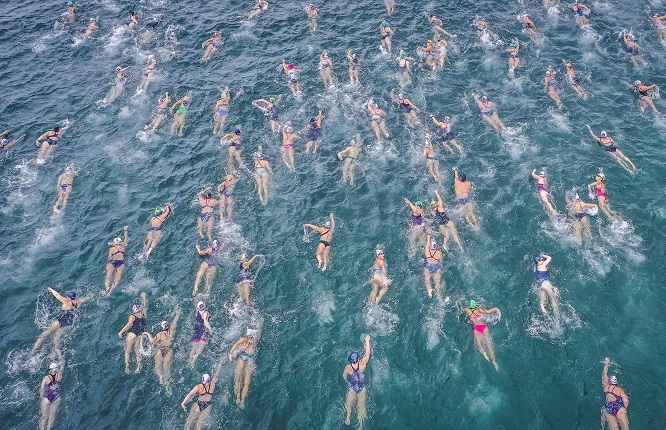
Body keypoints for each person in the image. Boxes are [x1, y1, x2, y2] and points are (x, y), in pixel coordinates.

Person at [31, 288, 90, 361]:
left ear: (68, 298)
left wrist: (51, 289)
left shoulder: (66, 301)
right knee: (56, 343)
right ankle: (59, 359)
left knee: (43, 336)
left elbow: (57, 295)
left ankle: (32, 352)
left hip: (59, 322)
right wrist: (91, 295)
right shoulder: (79, 301)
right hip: (68, 325)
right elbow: (87, 297)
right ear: (75, 297)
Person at [143, 308, 181, 387]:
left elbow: (153, 341)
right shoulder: (172, 330)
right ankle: (167, 384)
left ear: (162, 327)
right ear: (168, 325)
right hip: (169, 350)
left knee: (157, 368)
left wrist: (147, 333)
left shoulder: (160, 334)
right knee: (166, 366)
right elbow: (175, 320)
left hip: (160, 350)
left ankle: (160, 376)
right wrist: (178, 313)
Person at [229, 325, 262, 409]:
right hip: (250, 361)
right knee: (247, 382)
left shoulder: (244, 340)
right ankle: (243, 401)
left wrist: (230, 353)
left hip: (242, 358)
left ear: (247, 335)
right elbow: (259, 331)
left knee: (237, 379)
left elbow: (236, 344)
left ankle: (237, 397)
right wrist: (261, 323)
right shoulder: (255, 341)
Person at [181, 362, 223, 429]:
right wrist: (220, 365)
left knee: (193, 426)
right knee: (194, 426)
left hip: (202, 405)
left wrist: (183, 403)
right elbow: (217, 374)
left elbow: (190, 394)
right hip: (205, 405)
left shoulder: (201, 386)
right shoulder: (211, 383)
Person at [343, 335, 371, 426]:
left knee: (349, 404)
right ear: (358, 359)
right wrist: (367, 340)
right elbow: (368, 352)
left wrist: (347, 381)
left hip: (352, 387)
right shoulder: (363, 364)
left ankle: (348, 417)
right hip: (362, 388)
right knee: (361, 407)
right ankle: (360, 425)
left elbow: (344, 377)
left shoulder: (348, 368)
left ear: (351, 361)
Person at [464, 300, 500, 370]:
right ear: (475, 305)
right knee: (489, 344)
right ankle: (494, 362)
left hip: (476, 329)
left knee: (479, 344)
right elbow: (488, 312)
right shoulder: (479, 310)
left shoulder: (468, 311)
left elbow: (462, 309)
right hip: (483, 327)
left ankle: (484, 354)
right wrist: (496, 308)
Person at [117, 293, 148, 374]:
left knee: (127, 351)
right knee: (137, 351)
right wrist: (144, 297)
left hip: (132, 335)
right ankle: (138, 367)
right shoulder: (143, 314)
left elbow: (129, 325)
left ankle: (127, 366)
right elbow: (145, 306)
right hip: (139, 335)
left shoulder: (133, 316)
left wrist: (121, 332)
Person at [602, 357, 630, 430]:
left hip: (608, 408)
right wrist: (625, 408)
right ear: (616, 382)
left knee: (614, 428)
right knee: (625, 428)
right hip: (618, 407)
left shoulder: (605, 387)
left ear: (609, 382)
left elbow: (604, 375)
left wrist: (606, 364)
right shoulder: (620, 390)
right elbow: (626, 401)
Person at [532, 254, 560, 320]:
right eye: (540, 260)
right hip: (545, 284)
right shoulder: (543, 265)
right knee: (553, 300)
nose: (542, 260)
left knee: (542, 302)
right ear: (538, 262)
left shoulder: (536, 267)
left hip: (539, 285)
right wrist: (543, 255)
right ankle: (557, 317)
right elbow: (549, 258)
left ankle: (545, 313)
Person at [453, 167, 480, 231]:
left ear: (460, 178)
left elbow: (456, 176)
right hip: (467, 198)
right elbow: (471, 190)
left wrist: (455, 170)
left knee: (466, 214)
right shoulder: (469, 183)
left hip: (460, 199)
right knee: (471, 213)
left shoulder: (457, 182)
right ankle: (477, 224)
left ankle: (470, 224)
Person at [104, 226, 129, 295]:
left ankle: (107, 287)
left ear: (114, 243)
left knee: (108, 276)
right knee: (117, 278)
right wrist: (125, 230)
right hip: (120, 263)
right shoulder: (123, 247)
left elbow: (109, 258)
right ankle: (111, 290)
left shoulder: (111, 249)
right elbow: (126, 238)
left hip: (112, 262)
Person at [40, 362, 63, 430]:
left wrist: (41, 398)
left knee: (44, 417)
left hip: (47, 397)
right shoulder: (59, 374)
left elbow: (41, 390)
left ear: (50, 370)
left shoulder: (46, 378)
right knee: (51, 417)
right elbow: (62, 363)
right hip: (56, 397)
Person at [189, 301, 212, 368]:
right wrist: (210, 329)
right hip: (203, 330)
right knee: (200, 348)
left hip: (196, 330)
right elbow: (205, 322)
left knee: (194, 348)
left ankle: (189, 360)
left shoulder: (197, 312)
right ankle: (193, 361)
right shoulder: (206, 313)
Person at [423, 234, 443, 298]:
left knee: (428, 281)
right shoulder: (439, 252)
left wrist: (429, 234)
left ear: (430, 247)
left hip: (428, 267)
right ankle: (439, 296)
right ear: (436, 247)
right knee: (437, 284)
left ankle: (429, 291)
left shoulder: (427, 250)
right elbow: (441, 260)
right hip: (436, 268)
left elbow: (428, 242)